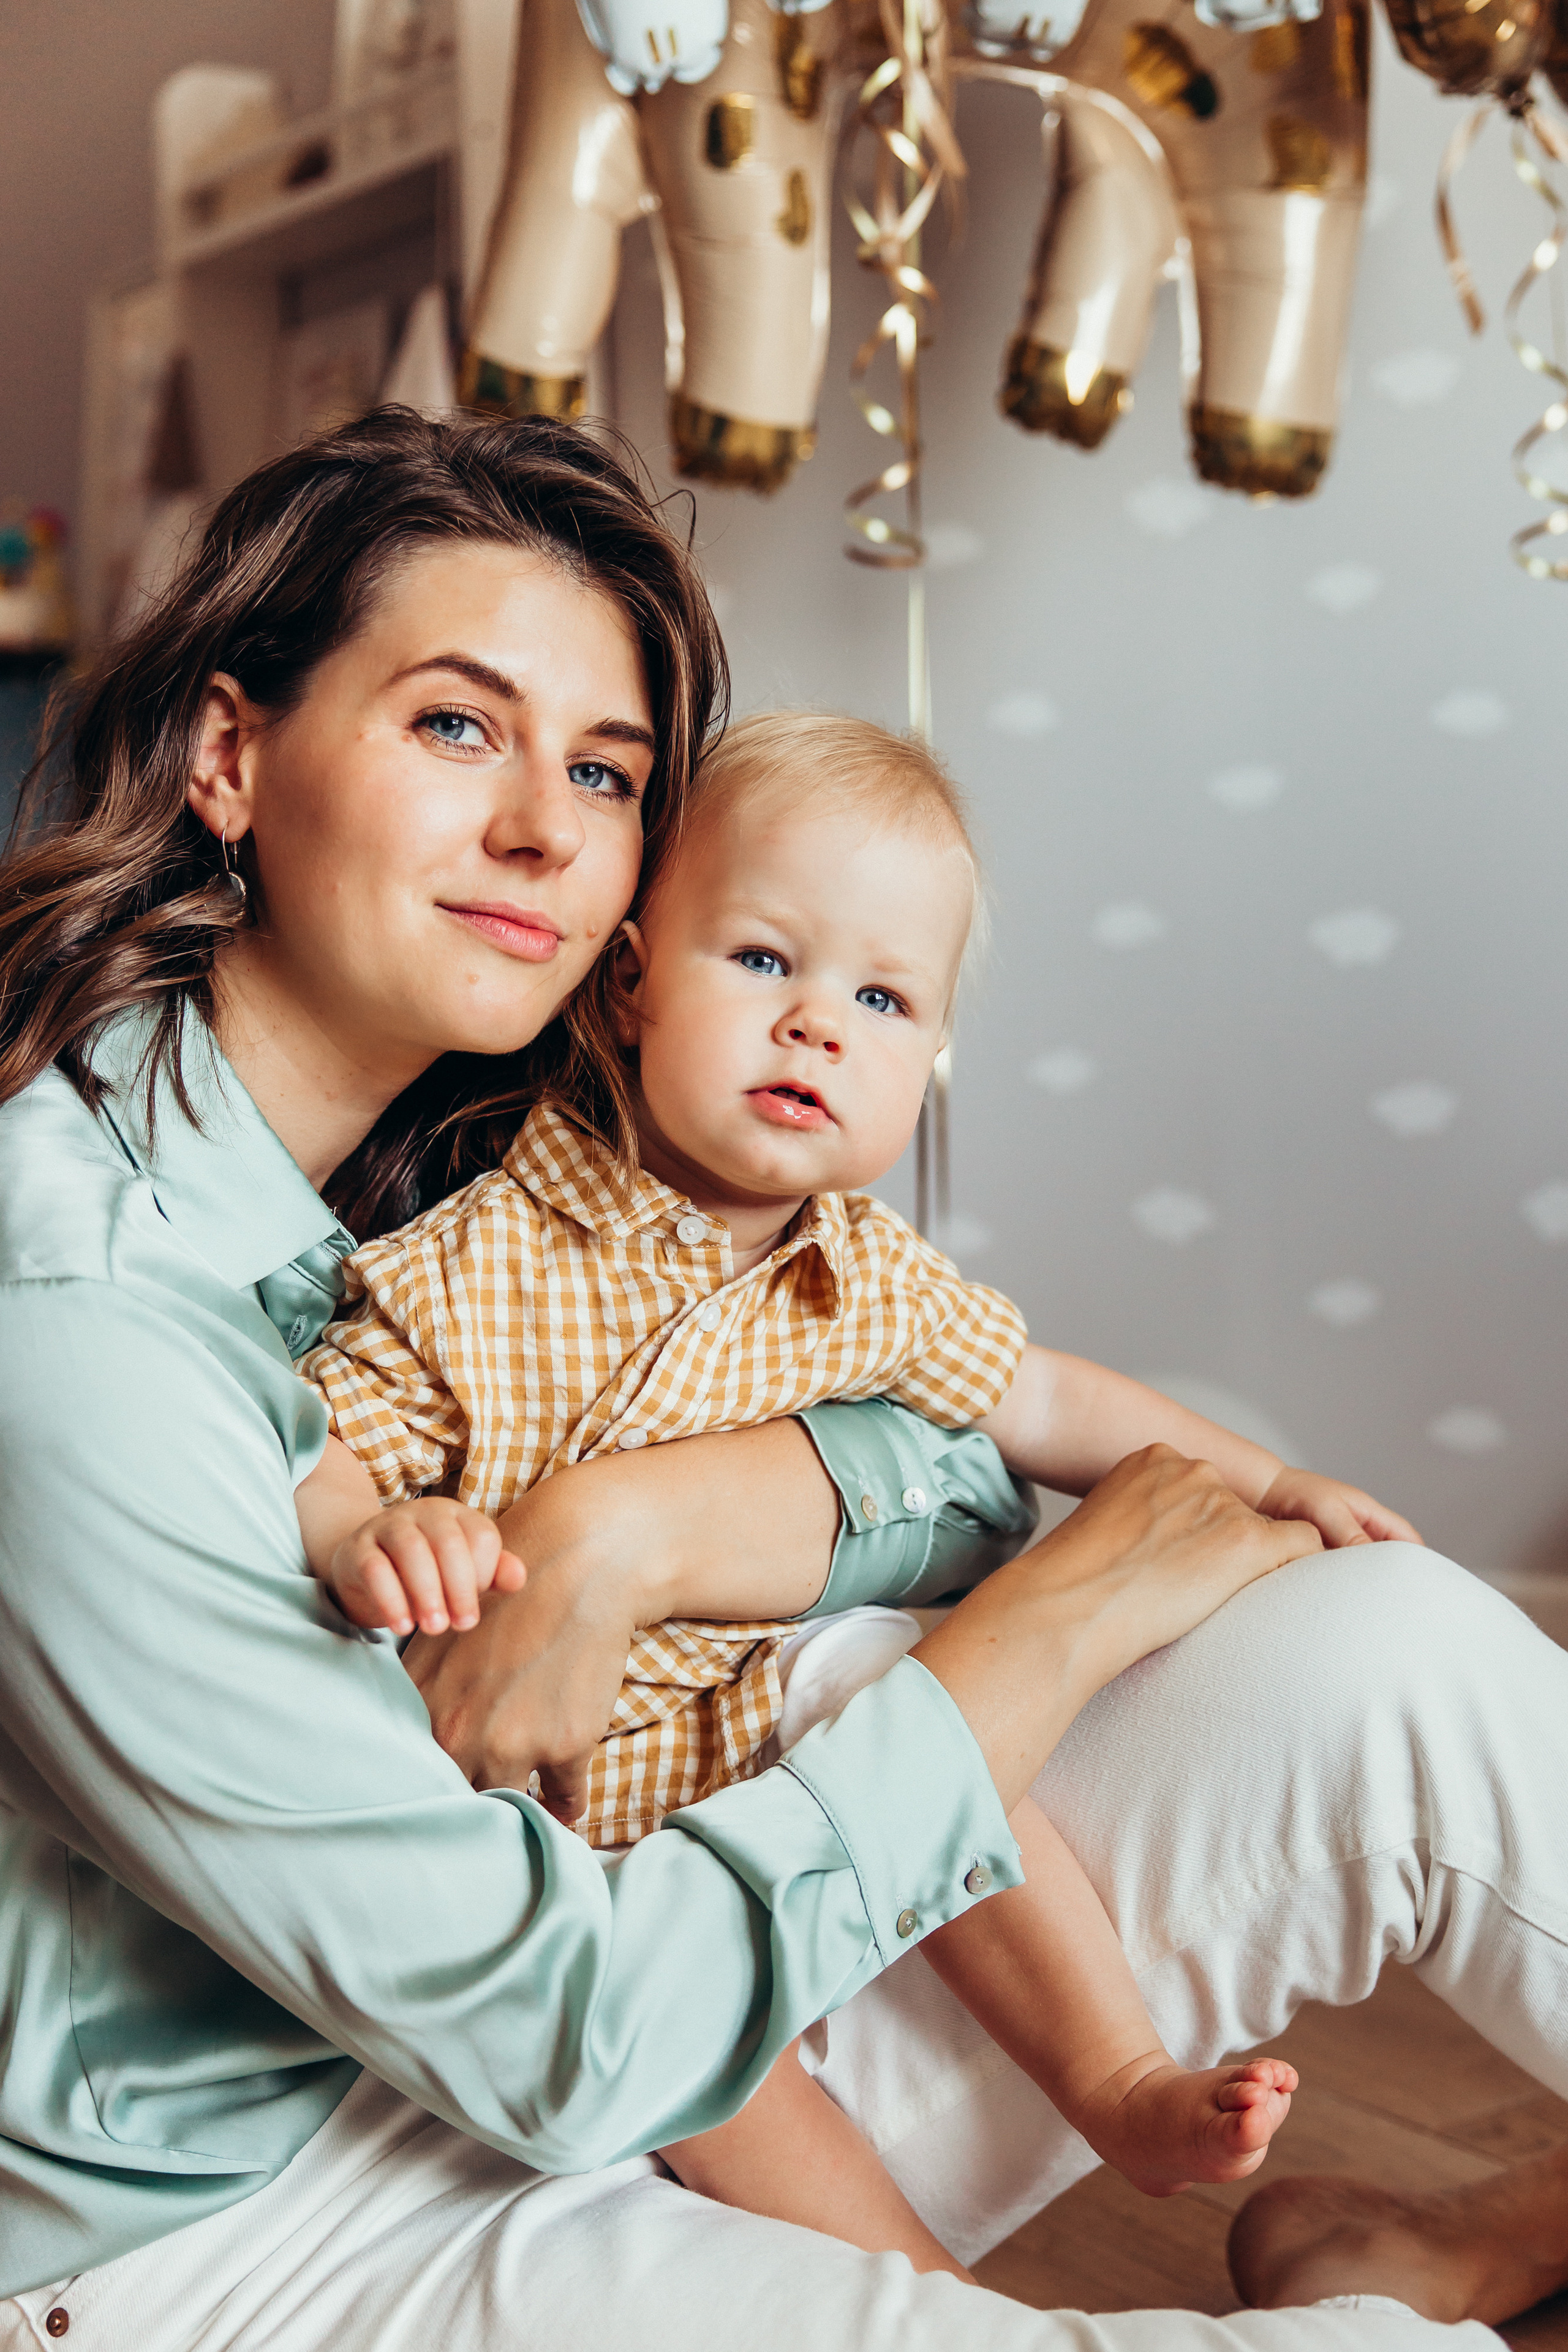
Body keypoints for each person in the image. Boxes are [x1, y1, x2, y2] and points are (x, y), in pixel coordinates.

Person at [0, 407, 1563, 2352]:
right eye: (457, 726)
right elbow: (583, 2022)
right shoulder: (76, 1318)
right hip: (249, 2217)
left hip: (609, 1992)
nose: (543, 830)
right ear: (233, 757)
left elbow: (967, 1475)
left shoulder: (495, 1161)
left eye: (606, 770)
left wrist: (635, 1532)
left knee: (1394, 1644)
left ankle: (1460, 2238)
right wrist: (1041, 1639)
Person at [293, 706, 1430, 2252]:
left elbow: (1045, 1398)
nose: (816, 1024)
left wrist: (1271, 1477)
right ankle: (906, 2295)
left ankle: (1117, 2079)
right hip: (590, 1825)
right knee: (708, 2070)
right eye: (762, 961)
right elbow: (317, 1437)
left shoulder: (871, 1277)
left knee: (910, 1694)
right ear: (630, 978)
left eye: (881, 998)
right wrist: (382, 1524)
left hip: (790, 1731)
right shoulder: (483, 1254)